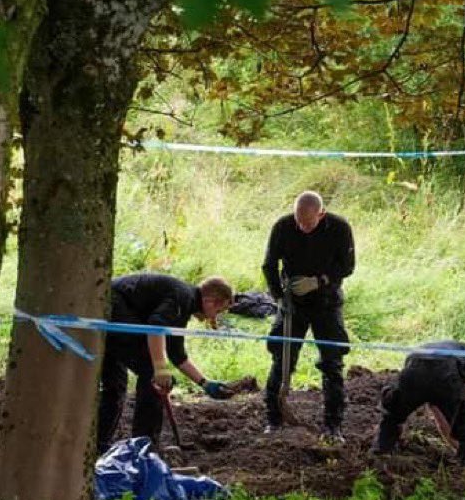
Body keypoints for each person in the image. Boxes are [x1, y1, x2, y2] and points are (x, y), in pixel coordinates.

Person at [96, 273, 235, 455]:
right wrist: (160, 369)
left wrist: (205, 383)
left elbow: (177, 354)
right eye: (218, 311)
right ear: (211, 301)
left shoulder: (183, 303)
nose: (214, 317)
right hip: (114, 306)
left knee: (116, 385)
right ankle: (144, 449)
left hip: (113, 309)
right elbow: (156, 326)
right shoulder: (182, 297)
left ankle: (100, 445)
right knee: (152, 375)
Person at [262, 191, 355, 441]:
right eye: (298, 221)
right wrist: (279, 297)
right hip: (293, 306)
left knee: (332, 363)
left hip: (327, 303)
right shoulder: (283, 227)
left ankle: (333, 426)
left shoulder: (339, 228)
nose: (302, 227)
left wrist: (319, 281)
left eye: (308, 223)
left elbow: (347, 266)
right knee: (282, 359)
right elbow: (269, 265)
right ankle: (274, 419)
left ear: (321, 214)